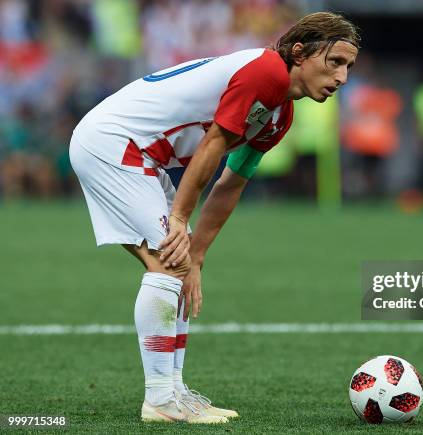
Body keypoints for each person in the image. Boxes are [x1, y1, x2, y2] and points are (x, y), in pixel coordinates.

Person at [69, 12, 359, 424]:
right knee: (170, 265)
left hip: (140, 154)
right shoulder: (266, 73)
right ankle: (159, 400)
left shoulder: (280, 115)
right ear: (300, 52)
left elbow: (230, 184)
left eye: (348, 67)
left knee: (181, 267)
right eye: (335, 62)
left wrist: (199, 254)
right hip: (115, 142)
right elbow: (211, 146)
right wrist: (179, 220)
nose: (342, 77)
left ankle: (173, 392)